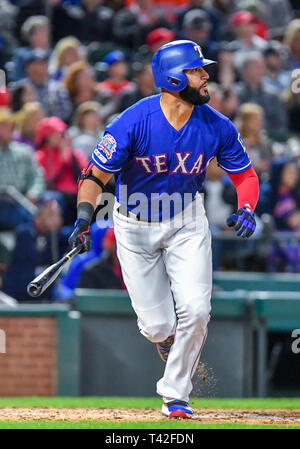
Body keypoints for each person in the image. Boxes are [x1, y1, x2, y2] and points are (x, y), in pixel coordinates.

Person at [68, 40, 259, 419]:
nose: (206, 76)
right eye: (196, 70)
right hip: (134, 225)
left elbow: (246, 175)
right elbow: (94, 176)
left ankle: (175, 396)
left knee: (196, 309)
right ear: (173, 78)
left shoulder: (217, 125)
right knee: (156, 325)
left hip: (187, 220)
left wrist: (248, 207)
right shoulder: (132, 121)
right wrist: (83, 219)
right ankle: (165, 340)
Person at [0, 107, 45, 230]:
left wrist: (33, 194)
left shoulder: (23, 151)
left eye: (9, 126)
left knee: (49, 205)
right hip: (2, 200)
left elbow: (37, 176)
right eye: (2, 126)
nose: (7, 130)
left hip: (23, 200)